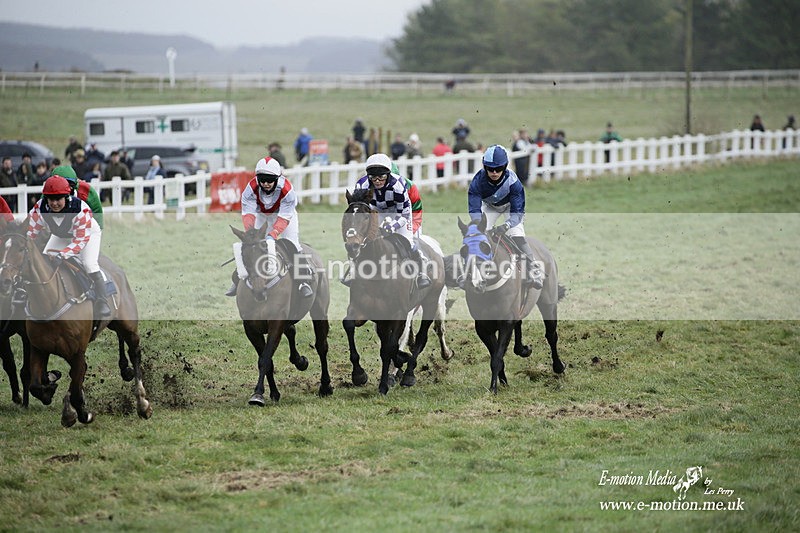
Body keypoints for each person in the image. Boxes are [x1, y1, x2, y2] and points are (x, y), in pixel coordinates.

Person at [226, 157, 313, 298]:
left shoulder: (287, 191)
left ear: (277, 178)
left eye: (269, 180)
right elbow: (248, 213)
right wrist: (251, 233)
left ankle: (303, 281)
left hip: (284, 216)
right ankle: (237, 279)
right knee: (250, 245)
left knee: (293, 244)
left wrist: (273, 233)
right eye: (262, 179)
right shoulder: (250, 190)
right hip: (261, 215)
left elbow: (284, 218)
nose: (266, 183)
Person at [27, 176, 111, 319]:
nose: (54, 203)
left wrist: (63, 254)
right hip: (62, 235)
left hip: (87, 234)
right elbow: (30, 233)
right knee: (45, 260)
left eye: (58, 199)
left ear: (67, 196)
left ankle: (102, 301)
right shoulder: (39, 208)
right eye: (50, 199)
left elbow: (80, 240)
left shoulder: (80, 210)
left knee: (89, 264)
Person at [346, 153, 431, 288]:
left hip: (399, 212)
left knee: (408, 242)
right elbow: (360, 210)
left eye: (381, 176)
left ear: (388, 174)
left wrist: (392, 226)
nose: (377, 180)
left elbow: (404, 213)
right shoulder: (362, 185)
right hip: (376, 212)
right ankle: (352, 272)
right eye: (373, 177)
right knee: (361, 240)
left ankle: (422, 272)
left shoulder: (398, 185)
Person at [467, 145, 544, 290]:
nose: (494, 172)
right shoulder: (477, 182)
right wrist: (478, 226)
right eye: (490, 169)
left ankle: (534, 271)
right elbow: (474, 209)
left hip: (511, 208)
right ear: (485, 167)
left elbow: (517, 213)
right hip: (490, 207)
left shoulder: (514, 183)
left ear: (505, 166)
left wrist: (507, 225)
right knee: (477, 235)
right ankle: (469, 271)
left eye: (499, 168)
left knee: (517, 235)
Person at [51, 164, 105, 230]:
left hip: (84, 228)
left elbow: (97, 212)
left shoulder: (86, 191)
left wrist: (99, 229)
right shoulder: (48, 193)